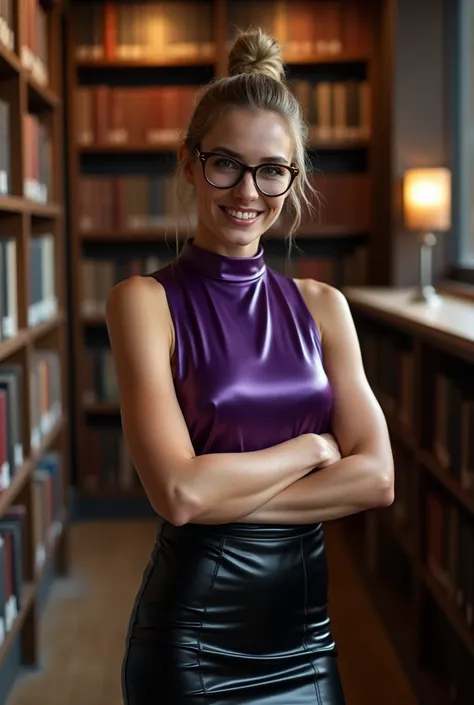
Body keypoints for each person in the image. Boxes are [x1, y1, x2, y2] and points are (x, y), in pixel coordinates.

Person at [106, 27, 394, 705]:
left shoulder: (324, 307)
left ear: (292, 181)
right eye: (225, 164)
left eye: (272, 169)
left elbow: (377, 477)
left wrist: (220, 495)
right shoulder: (144, 302)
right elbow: (176, 493)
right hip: (194, 639)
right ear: (189, 163)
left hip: (307, 639)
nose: (248, 190)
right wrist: (313, 447)